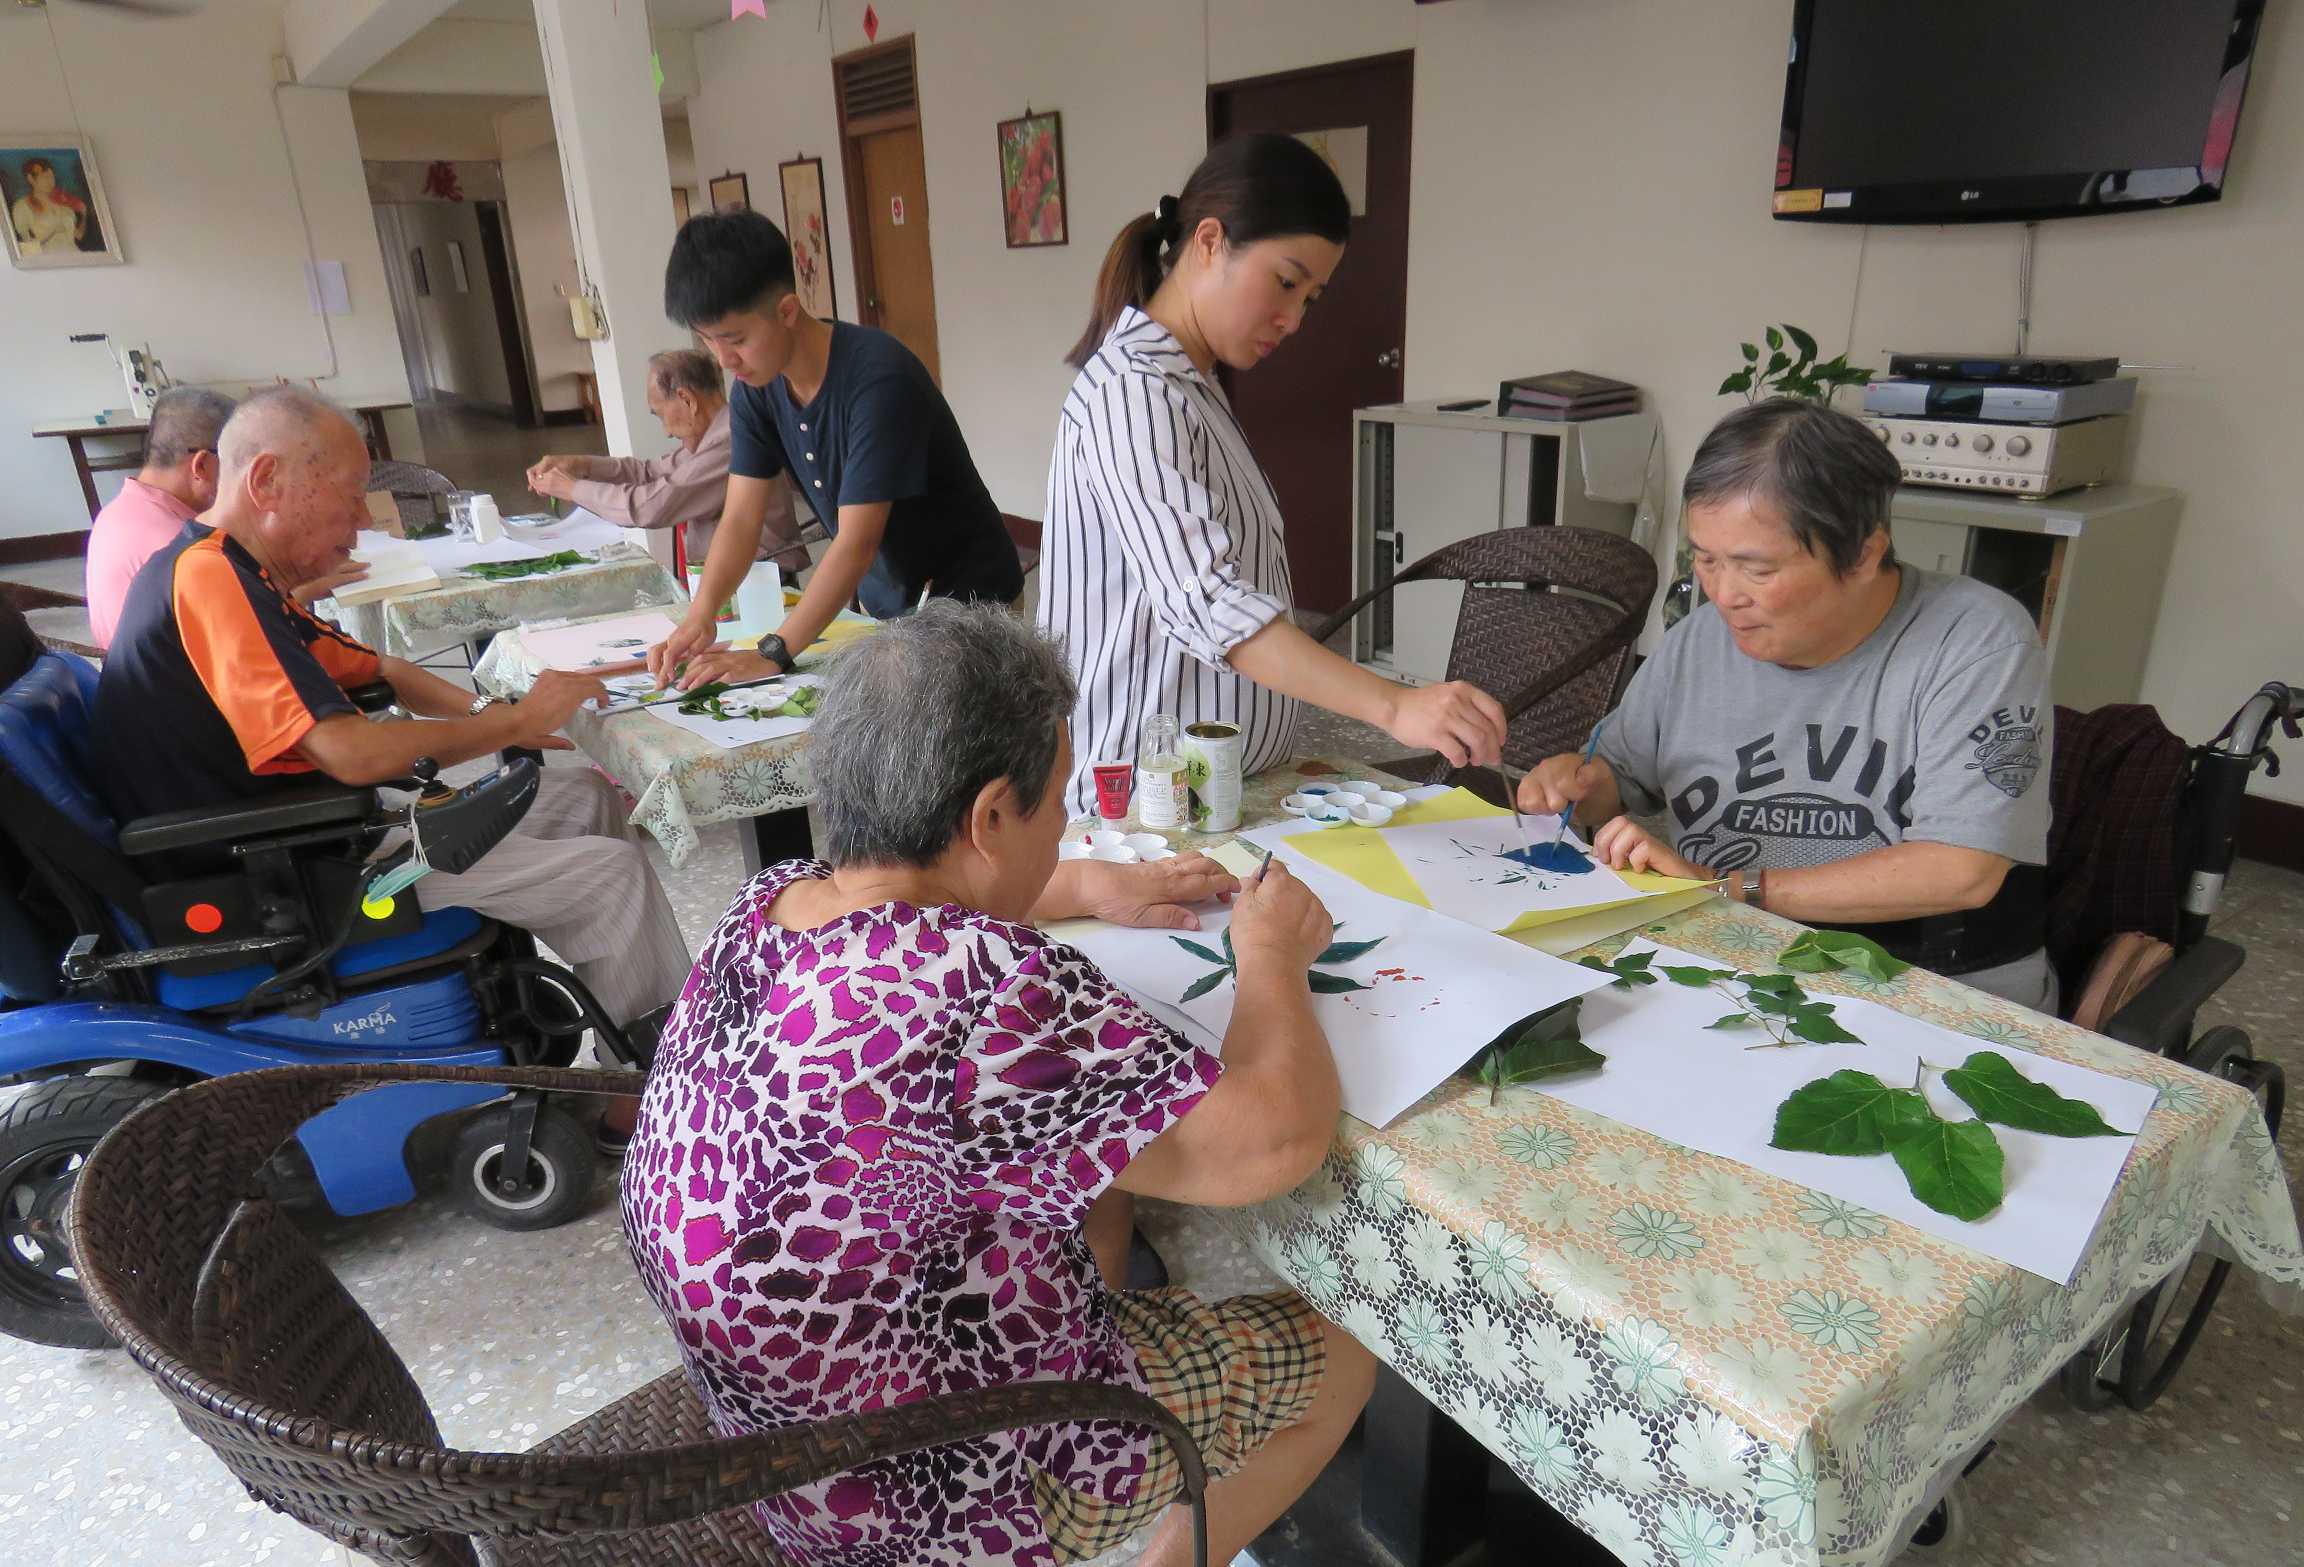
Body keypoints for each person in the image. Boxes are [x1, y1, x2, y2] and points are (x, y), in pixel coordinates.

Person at [622, 603, 1375, 1567]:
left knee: (1099, 1183)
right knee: (1349, 1351)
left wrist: (1082, 885)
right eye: (1058, 806)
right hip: (922, 1494)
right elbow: (1274, 1141)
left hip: (777, 1432)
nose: (1064, 829)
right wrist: (1271, 958)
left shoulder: (762, 909)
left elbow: (918, 899)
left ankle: (1114, 1382)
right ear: (987, 814)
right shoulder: (985, 989)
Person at [92, 386, 692, 1131]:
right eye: (348, 496)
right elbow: (344, 750)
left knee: (584, 799)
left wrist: (502, 723)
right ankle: (643, 1105)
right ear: (267, 480)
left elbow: (385, 671)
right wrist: (514, 718)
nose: (363, 521)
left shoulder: (237, 575)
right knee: (611, 879)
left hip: (316, 834)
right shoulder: (209, 580)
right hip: (289, 869)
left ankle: (620, 1025)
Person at [1518, 397, 2055, 1008]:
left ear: (1862, 555)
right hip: (1724, 957)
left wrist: (1729, 888)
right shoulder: (1699, 639)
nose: (1723, 595)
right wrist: (1579, 785)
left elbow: (1963, 870)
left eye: (1755, 569)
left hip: (1922, 981)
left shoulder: (1976, 641)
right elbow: (1622, 776)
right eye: (1707, 559)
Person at [1041, 134, 1507, 819]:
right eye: (1285, 282)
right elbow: (1209, 602)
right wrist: (1394, 704)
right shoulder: (1133, 393)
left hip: (1219, 793)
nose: (1291, 320)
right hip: (1144, 813)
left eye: (1311, 299)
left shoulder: (1189, 385)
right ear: (1208, 241)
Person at [643, 211, 1021, 691]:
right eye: (707, 341)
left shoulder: (877, 379)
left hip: (973, 605)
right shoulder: (756, 386)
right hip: (897, 606)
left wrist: (773, 653)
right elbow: (741, 517)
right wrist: (700, 616)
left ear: (786, 311)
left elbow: (856, 542)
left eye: (735, 340)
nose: (723, 360)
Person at [521, 348, 809, 575]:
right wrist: (580, 464)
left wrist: (571, 489)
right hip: (737, 580)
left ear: (687, 399)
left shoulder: (730, 443)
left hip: (760, 583)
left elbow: (649, 506)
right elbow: (647, 472)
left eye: (660, 414)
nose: (665, 430)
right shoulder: (714, 436)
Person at [85, 388, 236, 651]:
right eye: (237, 463)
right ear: (201, 466)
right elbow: (239, 641)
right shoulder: (178, 543)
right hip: (172, 688)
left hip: (128, 677)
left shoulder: (119, 510)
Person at [10, 157, 86, 256]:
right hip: (47, 260)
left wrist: (84, 215)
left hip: (74, 256)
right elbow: (26, 247)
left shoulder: (62, 204)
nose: (50, 181)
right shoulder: (22, 206)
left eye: (51, 177)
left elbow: (78, 236)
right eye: (45, 177)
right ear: (31, 179)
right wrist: (52, 231)